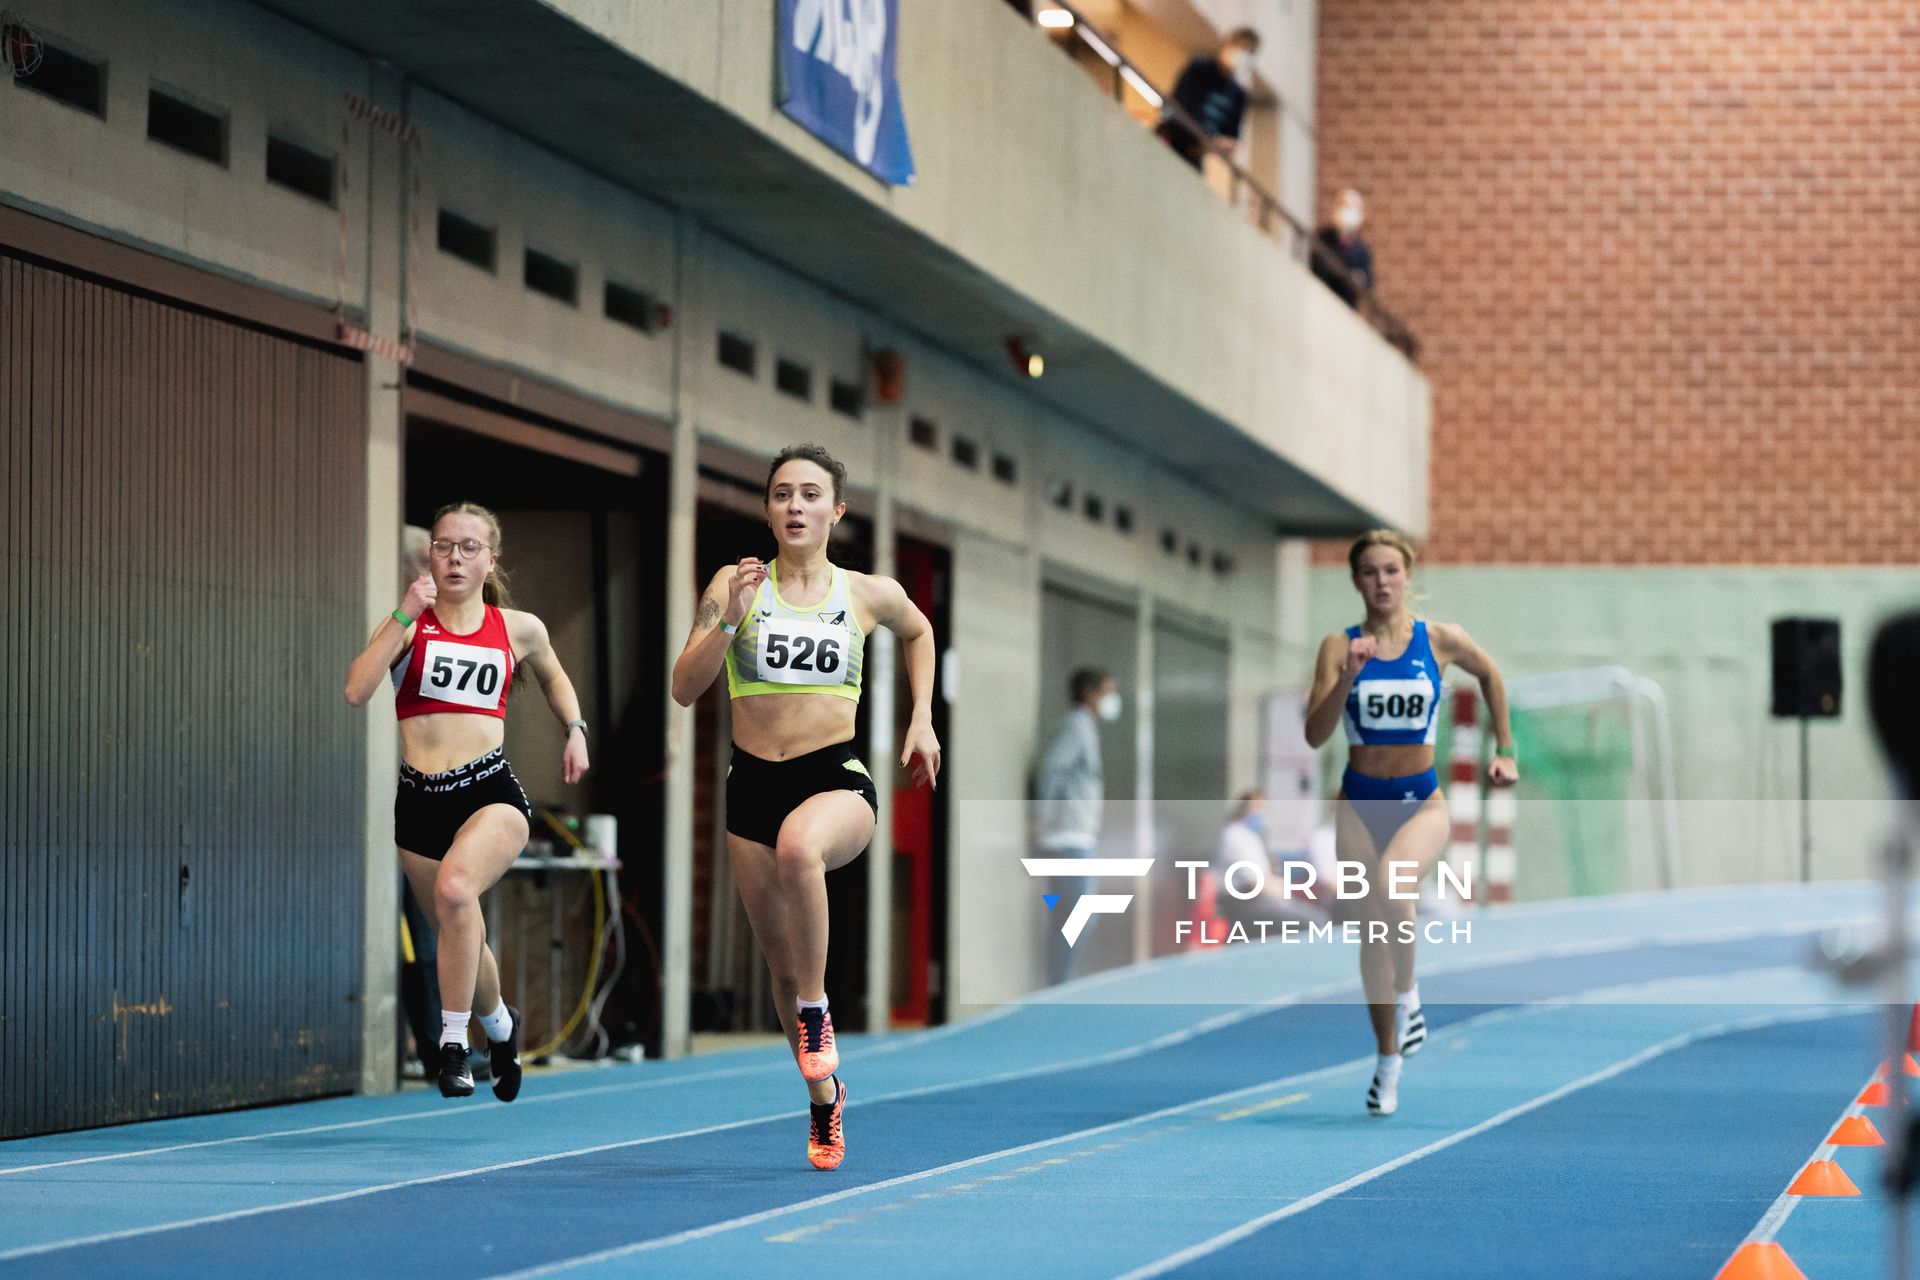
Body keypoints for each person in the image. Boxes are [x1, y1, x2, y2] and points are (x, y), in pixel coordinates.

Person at [671, 443, 941, 1171]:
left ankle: (820, 1010)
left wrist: (922, 718)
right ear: (768, 508)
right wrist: (728, 618)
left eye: (811, 495)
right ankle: (826, 1102)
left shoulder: (865, 593)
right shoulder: (736, 584)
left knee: (801, 849)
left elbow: (919, 630)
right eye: (783, 494)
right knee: (779, 974)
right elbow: (685, 687)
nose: (796, 506)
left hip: (836, 776)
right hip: (750, 784)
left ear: (836, 512)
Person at [345, 502, 592, 1100]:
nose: (455, 557)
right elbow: (356, 689)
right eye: (443, 546)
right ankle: (501, 1028)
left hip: (490, 792)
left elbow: (555, 674)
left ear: (490, 560)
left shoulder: (517, 628)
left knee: (457, 892)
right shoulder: (407, 626)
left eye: (468, 547)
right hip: (420, 801)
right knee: (462, 930)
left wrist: (576, 728)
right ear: (429, 554)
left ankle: (453, 1044)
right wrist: (404, 611)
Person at [1303, 530, 1516, 1116]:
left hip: (1421, 800)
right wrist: (1347, 675)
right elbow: (1315, 733)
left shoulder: (1440, 640)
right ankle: (1387, 1061)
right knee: (1371, 935)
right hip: (1357, 803)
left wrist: (1506, 748)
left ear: (1408, 576)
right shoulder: (1335, 646)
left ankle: (1411, 994)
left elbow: (1491, 675)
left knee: (1398, 889)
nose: (1382, 582)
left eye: (1391, 570)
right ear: (1356, 581)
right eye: (1370, 572)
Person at [1036, 668, 1120, 981]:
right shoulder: (1076, 727)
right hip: (1067, 839)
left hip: (1077, 838)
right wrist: (1041, 818)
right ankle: (1060, 983)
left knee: (1070, 915)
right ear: (1091, 694)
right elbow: (1052, 771)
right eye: (1108, 691)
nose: (1112, 700)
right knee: (1080, 916)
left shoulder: (1085, 729)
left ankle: (1059, 982)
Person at [1156, 27, 1260, 171]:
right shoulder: (1198, 69)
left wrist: (1219, 144)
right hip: (1169, 141)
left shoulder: (1238, 94)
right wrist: (1207, 139)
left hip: (1195, 156)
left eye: (1249, 52)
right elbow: (1181, 106)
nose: (1242, 55)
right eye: (1241, 47)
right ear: (1228, 45)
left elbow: (1232, 137)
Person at [1313, 188, 1375, 309]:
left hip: (1348, 308)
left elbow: (1369, 282)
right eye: (1345, 205)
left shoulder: (1362, 250)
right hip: (1322, 303)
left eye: (1354, 207)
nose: (1349, 212)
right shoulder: (1322, 239)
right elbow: (1317, 270)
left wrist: (1361, 278)